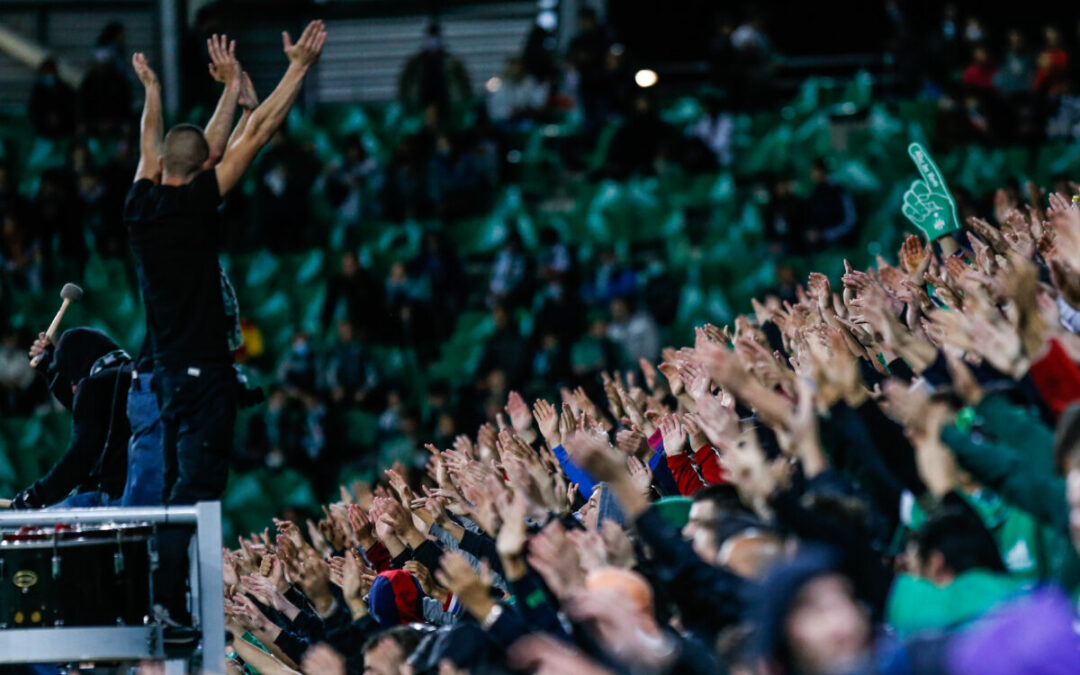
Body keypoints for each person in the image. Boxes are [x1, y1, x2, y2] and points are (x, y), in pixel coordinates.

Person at [124, 21, 327, 631]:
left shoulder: (141, 206)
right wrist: (297, 68)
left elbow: (167, 146)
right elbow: (255, 134)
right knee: (197, 493)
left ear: (161, 166)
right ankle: (174, 606)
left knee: (179, 490)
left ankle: (166, 599)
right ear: (201, 165)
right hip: (204, 377)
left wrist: (156, 93)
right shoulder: (198, 204)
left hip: (165, 373)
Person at [11, 328, 132, 509]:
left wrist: (34, 496)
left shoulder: (94, 386)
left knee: (34, 528)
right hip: (148, 491)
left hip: (115, 498)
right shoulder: (132, 377)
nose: (74, 388)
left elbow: (80, 459)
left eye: (72, 380)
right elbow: (88, 412)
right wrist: (49, 365)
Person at [28, 57, 76, 138]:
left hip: (65, 132)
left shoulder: (65, 90)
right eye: (46, 72)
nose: (48, 75)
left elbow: (72, 108)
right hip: (44, 134)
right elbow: (34, 111)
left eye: (50, 72)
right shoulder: (37, 93)